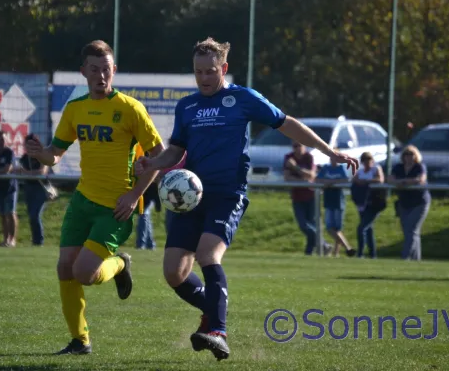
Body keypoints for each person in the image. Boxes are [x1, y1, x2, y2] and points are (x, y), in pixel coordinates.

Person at [134, 37, 358, 361]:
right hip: (192, 197)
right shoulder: (187, 106)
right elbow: (177, 149)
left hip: (228, 194)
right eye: (198, 72)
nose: (204, 78)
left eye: (210, 71)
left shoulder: (243, 99)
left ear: (223, 69)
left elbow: (287, 124)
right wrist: (154, 163)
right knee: (173, 273)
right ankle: (211, 310)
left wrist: (328, 151)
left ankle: (218, 332)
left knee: (208, 255)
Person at [24, 40, 165, 355]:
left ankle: (119, 264)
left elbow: (159, 157)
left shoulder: (130, 109)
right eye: (94, 69)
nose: (101, 76)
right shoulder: (75, 109)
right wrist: (39, 153)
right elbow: (55, 156)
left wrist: (134, 195)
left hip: (116, 207)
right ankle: (80, 340)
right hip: (82, 202)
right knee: (64, 267)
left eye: (106, 69)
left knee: (84, 273)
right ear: (83, 72)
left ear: (114, 70)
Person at [283, 142, 333, 256]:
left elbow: (311, 175)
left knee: (311, 224)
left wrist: (295, 167)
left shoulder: (309, 157)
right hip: (297, 196)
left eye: (299, 145)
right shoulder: (288, 157)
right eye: (294, 146)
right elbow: (287, 177)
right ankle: (324, 245)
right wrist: (302, 179)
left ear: (304, 146)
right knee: (303, 225)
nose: (297, 148)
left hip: (311, 195)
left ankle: (308, 253)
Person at [389, 145, 430, 261]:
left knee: (412, 230)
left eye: (411, 154)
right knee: (409, 232)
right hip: (404, 202)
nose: (408, 157)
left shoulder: (420, 167)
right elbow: (390, 179)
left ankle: (405, 257)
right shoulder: (398, 167)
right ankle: (416, 260)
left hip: (419, 202)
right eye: (406, 154)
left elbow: (420, 180)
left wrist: (403, 182)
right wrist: (404, 182)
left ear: (416, 155)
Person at [315, 154, 356, 257]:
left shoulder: (341, 168)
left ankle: (336, 253)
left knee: (337, 229)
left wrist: (330, 182)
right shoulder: (325, 168)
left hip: (339, 201)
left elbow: (346, 180)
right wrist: (329, 182)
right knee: (330, 228)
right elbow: (318, 179)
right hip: (328, 201)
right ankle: (348, 248)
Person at [351, 152, 385, 259]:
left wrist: (366, 182)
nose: (367, 162)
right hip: (362, 204)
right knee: (368, 229)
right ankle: (372, 254)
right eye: (364, 160)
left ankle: (360, 253)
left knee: (361, 228)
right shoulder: (360, 172)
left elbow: (380, 180)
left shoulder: (376, 169)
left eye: (369, 159)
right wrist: (359, 181)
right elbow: (354, 180)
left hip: (374, 204)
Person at [18, 133, 50, 246]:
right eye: (27, 144)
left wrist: (27, 173)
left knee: (36, 215)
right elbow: (19, 171)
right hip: (29, 188)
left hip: (41, 189)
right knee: (31, 215)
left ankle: (39, 241)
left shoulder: (43, 156)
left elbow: (42, 172)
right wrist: (29, 174)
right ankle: (35, 241)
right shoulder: (24, 158)